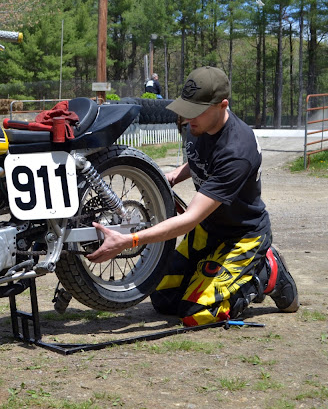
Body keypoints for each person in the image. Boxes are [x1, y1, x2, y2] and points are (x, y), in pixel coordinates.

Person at [87, 66, 299, 326]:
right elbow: (201, 160)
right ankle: (210, 273)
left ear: (222, 106)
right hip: (208, 229)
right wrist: (173, 176)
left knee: (197, 313)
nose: (187, 118)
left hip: (241, 236)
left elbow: (189, 219)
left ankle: (267, 271)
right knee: (163, 298)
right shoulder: (200, 126)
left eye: (196, 111)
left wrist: (128, 240)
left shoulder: (237, 151)